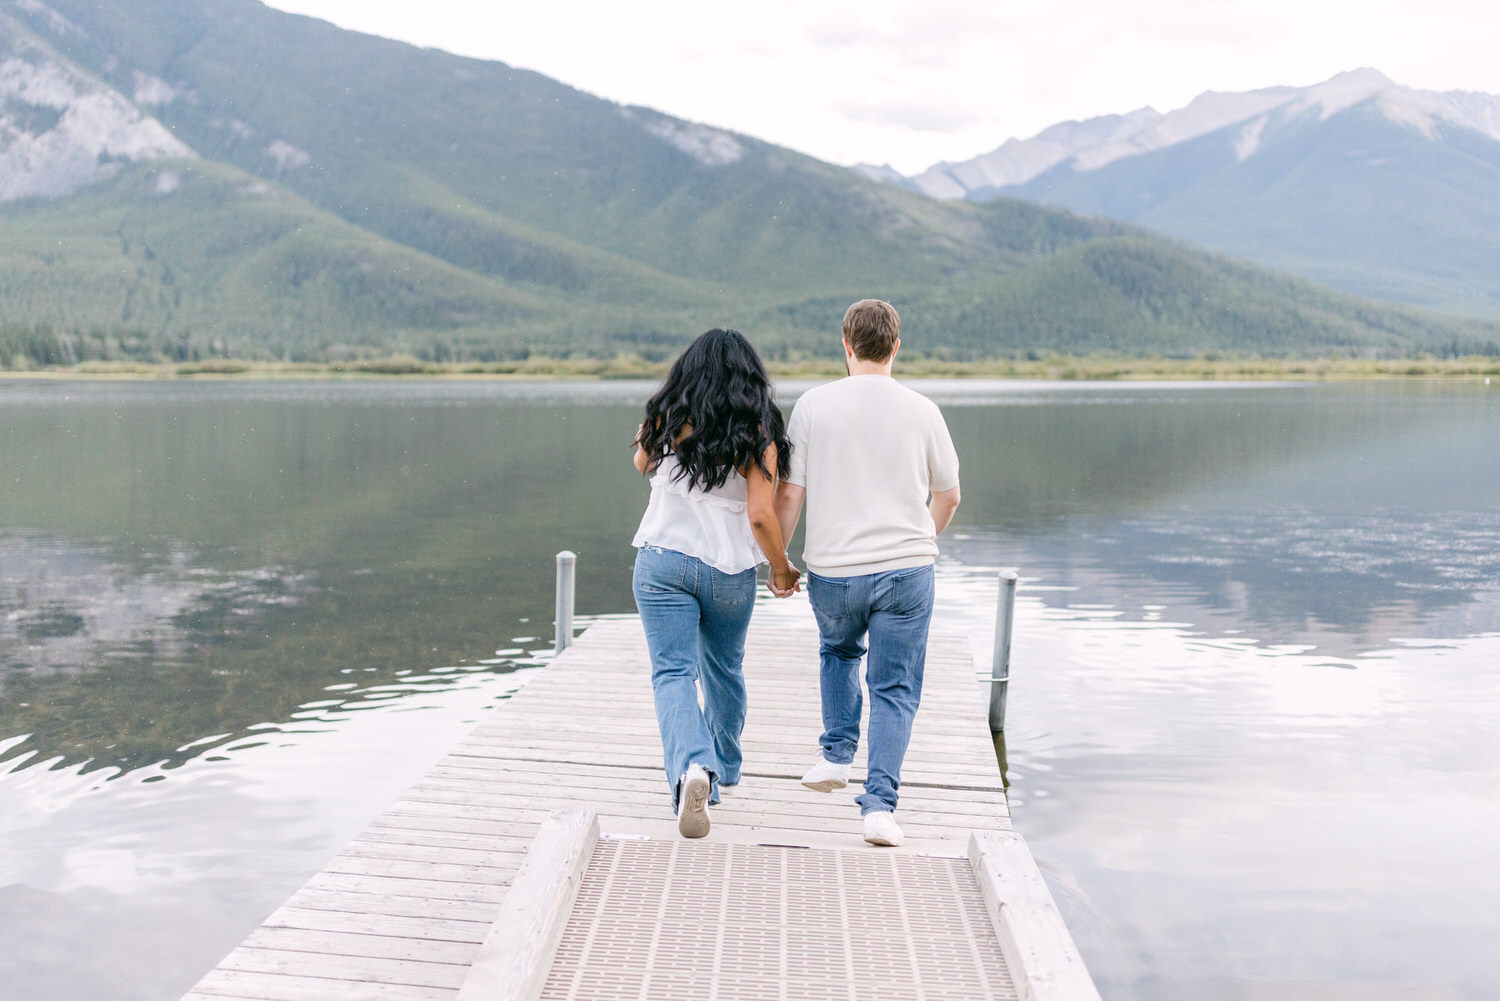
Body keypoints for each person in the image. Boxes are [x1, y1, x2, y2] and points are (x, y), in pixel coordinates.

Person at [774, 299, 960, 847]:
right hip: (907, 570)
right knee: (894, 688)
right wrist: (919, 543)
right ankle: (879, 807)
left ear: (846, 344)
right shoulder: (923, 409)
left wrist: (779, 562)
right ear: (896, 347)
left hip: (834, 572)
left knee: (838, 652)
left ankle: (835, 755)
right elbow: (948, 496)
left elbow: (791, 492)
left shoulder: (812, 405)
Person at [631, 328, 801, 839]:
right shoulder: (759, 430)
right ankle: (721, 767)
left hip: (662, 563)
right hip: (727, 573)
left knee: (673, 675)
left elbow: (641, 464)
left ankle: (693, 769)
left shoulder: (669, 414)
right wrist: (780, 567)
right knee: (724, 670)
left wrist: (663, 426)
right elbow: (761, 517)